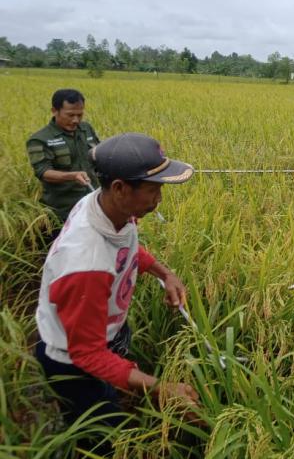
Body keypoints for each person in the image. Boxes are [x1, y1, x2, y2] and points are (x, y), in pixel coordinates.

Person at [34, 133, 199, 452]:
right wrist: (162, 388)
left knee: (117, 387)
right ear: (121, 188)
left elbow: (127, 247)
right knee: (102, 438)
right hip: (72, 363)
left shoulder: (104, 206)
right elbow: (86, 353)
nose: (158, 200)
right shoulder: (86, 263)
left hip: (103, 328)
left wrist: (164, 273)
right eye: (153, 191)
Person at [26, 89, 100, 232]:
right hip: (62, 212)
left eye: (80, 115)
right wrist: (72, 176)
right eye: (70, 115)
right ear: (54, 111)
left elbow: (98, 153)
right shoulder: (40, 139)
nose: (76, 120)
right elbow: (44, 172)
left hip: (92, 205)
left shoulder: (86, 129)